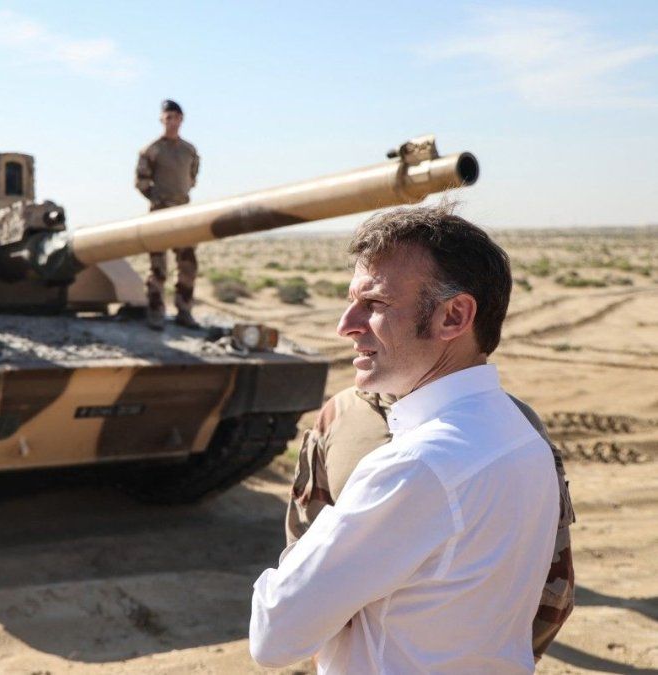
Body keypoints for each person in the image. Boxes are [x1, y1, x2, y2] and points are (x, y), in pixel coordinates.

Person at [249, 205, 561, 673]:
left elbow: (274, 636)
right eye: (351, 299)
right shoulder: (518, 432)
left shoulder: (417, 465)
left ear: (454, 316)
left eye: (374, 304)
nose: (346, 324)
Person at [286, 386, 575, 662]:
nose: (349, 332)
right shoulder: (340, 413)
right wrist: (326, 651)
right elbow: (304, 550)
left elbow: (552, 577)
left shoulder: (512, 421)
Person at [135, 99, 200, 330]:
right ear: (162, 119)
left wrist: (178, 199)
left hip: (182, 212)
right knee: (158, 267)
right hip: (160, 213)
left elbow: (192, 179)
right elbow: (141, 182)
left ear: (181, 120)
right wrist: (158, 199)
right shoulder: (152, 149)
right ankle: (155, 312)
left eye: (176, 117)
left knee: (188, 264)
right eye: (168, 117)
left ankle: (184, 310)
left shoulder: (189, 150)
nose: (172, 122)